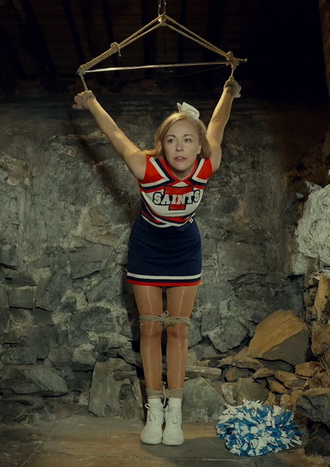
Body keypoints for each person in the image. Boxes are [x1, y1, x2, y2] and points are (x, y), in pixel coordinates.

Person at [72, 77, 240, 446]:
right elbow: (115, 133)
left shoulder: (207, 166)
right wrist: (91, 101)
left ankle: (174, 414)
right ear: (161, 145)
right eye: (172, 139)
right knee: (150, 329)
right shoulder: (145, 168)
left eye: (188, 140)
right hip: (147, 249)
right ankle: (154, 412)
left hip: (184, 251)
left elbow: (218, 122)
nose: (179, 147)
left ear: (199, 147)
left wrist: (228, 91)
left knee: (178, 330)